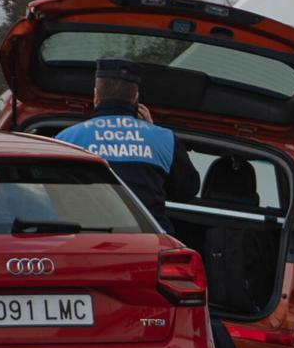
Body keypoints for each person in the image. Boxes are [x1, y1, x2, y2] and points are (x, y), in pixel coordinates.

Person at [55, 57, 199, 232]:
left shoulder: (66, 139)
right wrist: (150, 130)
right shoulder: (164, 139)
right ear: (136, 98)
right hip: (149, 244)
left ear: (95, 96)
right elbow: (187, 190)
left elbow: (54, 195)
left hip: (85, 241)